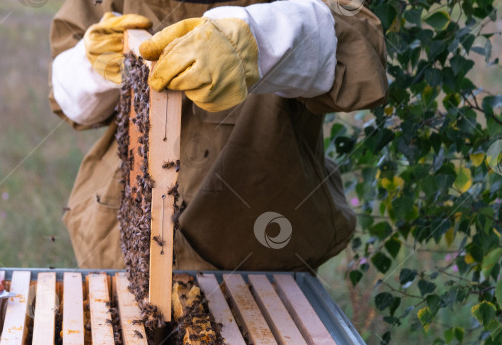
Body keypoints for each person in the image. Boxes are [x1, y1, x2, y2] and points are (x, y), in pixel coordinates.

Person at [49, 0, 387, 271]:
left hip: (258, 254)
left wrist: (261, 39)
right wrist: (91, 69)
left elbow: (359, 49)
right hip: (120, 242)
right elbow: (69, 99)